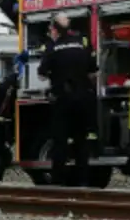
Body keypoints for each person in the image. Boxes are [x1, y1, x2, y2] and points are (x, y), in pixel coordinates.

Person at [37, 13, 98, 187]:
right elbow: (93, 72)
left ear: (55, 29)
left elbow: (41, 75)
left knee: (60, 141)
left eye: (51, 29)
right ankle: (83, 181)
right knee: (81, 141)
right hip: (83, 99)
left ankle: (58, 181)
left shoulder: (52, 47)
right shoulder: (82, 43)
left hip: (62, 100)